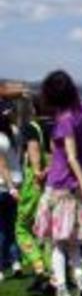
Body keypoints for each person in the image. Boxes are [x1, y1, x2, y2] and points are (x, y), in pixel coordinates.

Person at [33, 70, 82, 296]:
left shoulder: (64, 119)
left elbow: (71, 157)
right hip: (79, 185)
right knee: (72, 242)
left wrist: (81, 183)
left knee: (57, 243)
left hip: (61, 187)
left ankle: (61, 289)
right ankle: (81, 283)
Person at [16, 96, 53, 295]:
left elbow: (34, 151)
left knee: (21, 227)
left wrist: (39, 171)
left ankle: (40, 269)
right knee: (47, 231)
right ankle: (53, 275)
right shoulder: (58, 126)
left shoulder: (32, 127)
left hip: (35, 183)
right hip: (56, 183)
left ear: (34, 109)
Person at [0, 100, 22, 282]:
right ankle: (16, 262)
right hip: (18, 181)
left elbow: (2, 165)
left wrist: (9, 187)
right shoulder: (15, 132)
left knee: (1, 229)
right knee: (12, 228)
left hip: (3, 185)